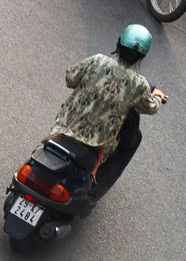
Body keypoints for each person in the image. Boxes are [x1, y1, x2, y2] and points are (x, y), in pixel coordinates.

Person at [48, 26, 164, 191]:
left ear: (118, 46)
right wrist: (158, 96)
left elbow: (70, 78)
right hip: (97, 145)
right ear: (141, 58)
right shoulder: (139, 84)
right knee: (117, 143)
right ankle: (94, 177)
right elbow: (150, 107)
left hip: (64, 127)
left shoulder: (97, 60)